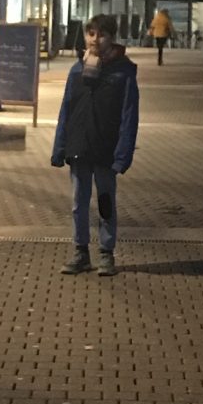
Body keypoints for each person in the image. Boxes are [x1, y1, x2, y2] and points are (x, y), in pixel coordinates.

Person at [51, 14, 139, 277]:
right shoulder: (77, 70)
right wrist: (60, 146)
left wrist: (122, 155)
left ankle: (105, 252)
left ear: (111, 37)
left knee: (104, 201)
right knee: (78, 202)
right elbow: (66, 109)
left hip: (105, 148)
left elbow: (129, 116)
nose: (94, 39)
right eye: (91, 33)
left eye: (101, 34)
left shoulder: (123, 72)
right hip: (79, 145)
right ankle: (80, 251)